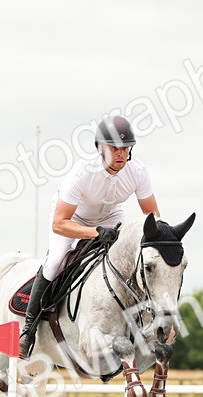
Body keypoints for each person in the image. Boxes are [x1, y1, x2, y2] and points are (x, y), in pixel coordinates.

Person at [19, 115, 162, 359]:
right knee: (55, 261)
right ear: (100, 148)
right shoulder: (82, 173)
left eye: (125, 148)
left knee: (130, 259)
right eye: (114, 148)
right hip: (71, 218)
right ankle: (28, 329)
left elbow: (153, 217)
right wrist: (95, 233)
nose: (120, 154)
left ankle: (141, 322)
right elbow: (59, 223)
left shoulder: (137, 172)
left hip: (110, 216)